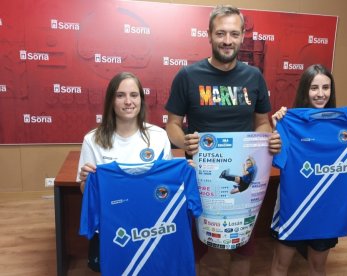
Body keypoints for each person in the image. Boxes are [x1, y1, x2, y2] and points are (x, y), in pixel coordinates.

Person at [164, 4, 282, 276]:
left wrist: (268, 141)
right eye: (220, 33)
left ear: (242, 36)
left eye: (233, 34)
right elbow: (172, 125)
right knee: (197, 248)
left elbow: (263, 121)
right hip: (200, 177)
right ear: (209, 35)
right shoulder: (187, 76)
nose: (227, 40)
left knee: (242, 246)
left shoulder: (253, 77)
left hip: (244, 180)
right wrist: (184, 143)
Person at [270, 64, 347, 276]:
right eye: (314, 88)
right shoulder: (288, 122)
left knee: (318, 267)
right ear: (305, 90)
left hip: (328, 212)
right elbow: (277, 158)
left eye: (326, 87)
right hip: (294, 209)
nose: (321, 94)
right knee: (279, 266)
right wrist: (278, 128)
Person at [77, 72, 172, 271]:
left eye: (134, 95)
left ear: (141, 99)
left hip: (149, 225)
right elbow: (86, 192)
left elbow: (166, 188)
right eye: (120, 95)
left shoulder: (159, 136)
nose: (128, 101)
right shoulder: (92, 140)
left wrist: (182, 174)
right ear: (111, 101)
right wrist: (87, 181)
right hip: (112, 226)